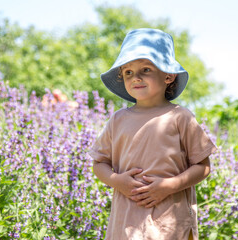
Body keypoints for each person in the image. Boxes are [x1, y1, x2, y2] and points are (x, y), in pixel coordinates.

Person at [89, 28, 217, 240]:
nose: (135, 77)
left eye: (146, 69)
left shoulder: (180, 117)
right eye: (128, 72)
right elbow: (99, 163)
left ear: (168, 76)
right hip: (127, 222)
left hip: (169, 222)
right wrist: (117, 180)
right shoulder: (118, 120)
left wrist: (170, 185)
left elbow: (203, 167)